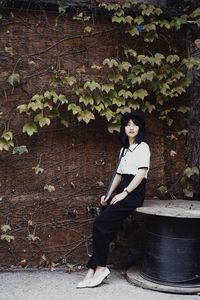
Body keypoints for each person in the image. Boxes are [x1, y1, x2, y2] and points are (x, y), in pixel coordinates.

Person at [77, 111, 150, 288]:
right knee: (104, 228)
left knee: (100, 224)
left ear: (139, 128)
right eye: (127, 124)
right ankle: (92, 269)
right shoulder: (124, 149)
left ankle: (100, 268)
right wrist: (108, 195)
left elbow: (141, 173)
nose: (131, 127)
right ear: (123, 128)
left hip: (134, 192)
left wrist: (124, 193)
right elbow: (118, 174)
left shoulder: (143, 147)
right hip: (122, 189)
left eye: (135, 124)